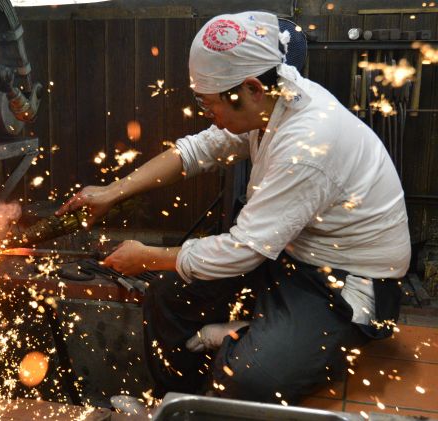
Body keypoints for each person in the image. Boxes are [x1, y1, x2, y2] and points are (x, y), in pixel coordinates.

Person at [56, 11, 410, 404]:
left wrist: (148, 256)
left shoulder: (308, 143)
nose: (209, 115)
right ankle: (174, 401)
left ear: (252, 88)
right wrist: (111, 192)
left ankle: (237, 342)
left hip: (343, 282)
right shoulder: (273, 99)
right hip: (287, 254)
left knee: (249, 380)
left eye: (210, 105)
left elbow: (243, 250)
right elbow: (197, 150)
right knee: (168, 297)